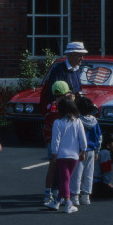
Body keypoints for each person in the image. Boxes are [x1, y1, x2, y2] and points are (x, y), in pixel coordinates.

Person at [47, 93, 88, 214]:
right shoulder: (78, 122)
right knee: (66, 179)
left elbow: (55, 141)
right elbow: (83, 139)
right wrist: (83, 151)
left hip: (62, 156)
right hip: (74, 156)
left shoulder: (57, 123)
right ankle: (57, 201)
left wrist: (54, 155)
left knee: (64, 180)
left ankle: (68, 203)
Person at [41, 80, 73, 209]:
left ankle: (48, 193)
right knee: (62, 168)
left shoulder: (51, 106)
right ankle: (59, 193)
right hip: (61, 143)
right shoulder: (65, 108)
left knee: (52, 167)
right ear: (66, 93)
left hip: (50, 141)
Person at [39, 41, 88, 108]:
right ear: (71, 55)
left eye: (83, 55)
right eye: (80, 55)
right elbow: (54, 93)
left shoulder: (76, 69)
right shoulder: (59, 69)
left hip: (74, 108)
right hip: (63, 109)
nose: (82, 58)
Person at [75, 95, 102, 206]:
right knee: (89, 174)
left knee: (77, 174)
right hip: (91, 150)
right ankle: (86, 196)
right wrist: (97, 151)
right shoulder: (94, 121)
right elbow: (99, 137)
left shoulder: (77, 121)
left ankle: (75, 196)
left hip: (80, 151)